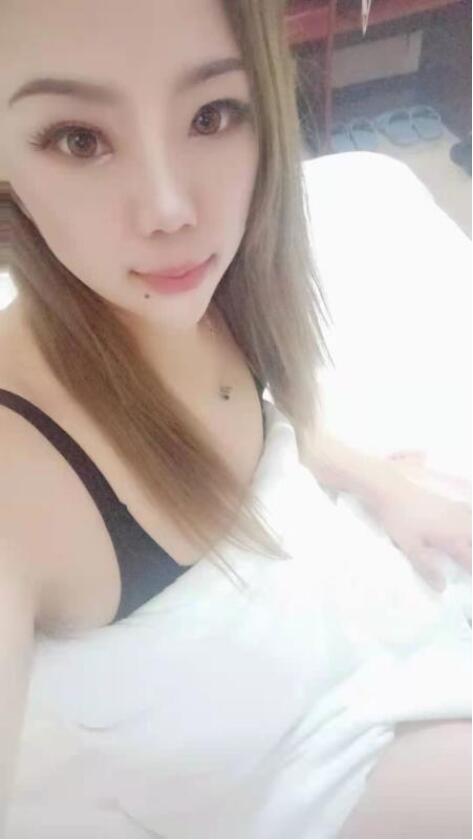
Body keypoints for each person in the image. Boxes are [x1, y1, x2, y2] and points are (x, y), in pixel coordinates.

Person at [0, 1, 470, 837]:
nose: (170, 209)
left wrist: (381, 484)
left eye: (211, 115)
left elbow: (247, 414)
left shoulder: (211, 284)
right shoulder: (17, 472)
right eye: (78, 138)